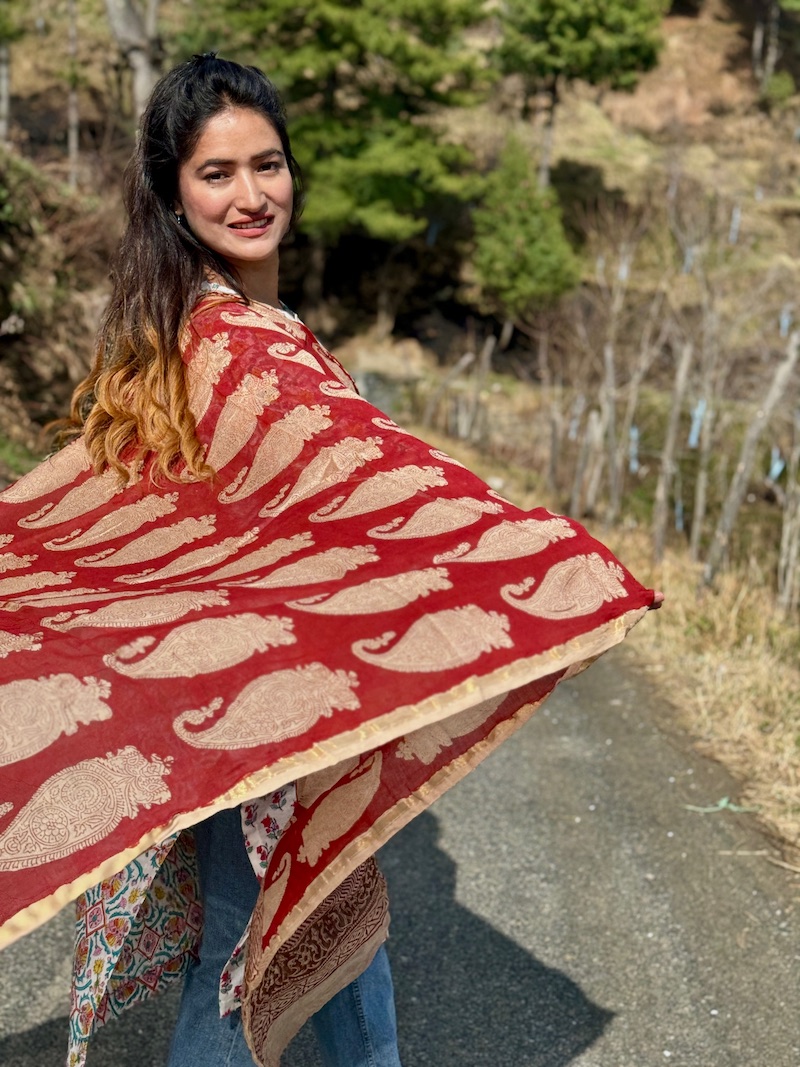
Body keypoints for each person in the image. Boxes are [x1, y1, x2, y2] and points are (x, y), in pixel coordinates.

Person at [0, 54, 659, 1067]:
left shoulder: (191, 333)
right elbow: (367, 481)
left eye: (267, 164)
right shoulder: (239, 346)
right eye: (216, 174)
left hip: (272, 701)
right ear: (173, 192)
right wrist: (532, 549)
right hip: (260, 711)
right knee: (243, 952)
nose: (252, 193)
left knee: (330, 910)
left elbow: (308, 506)